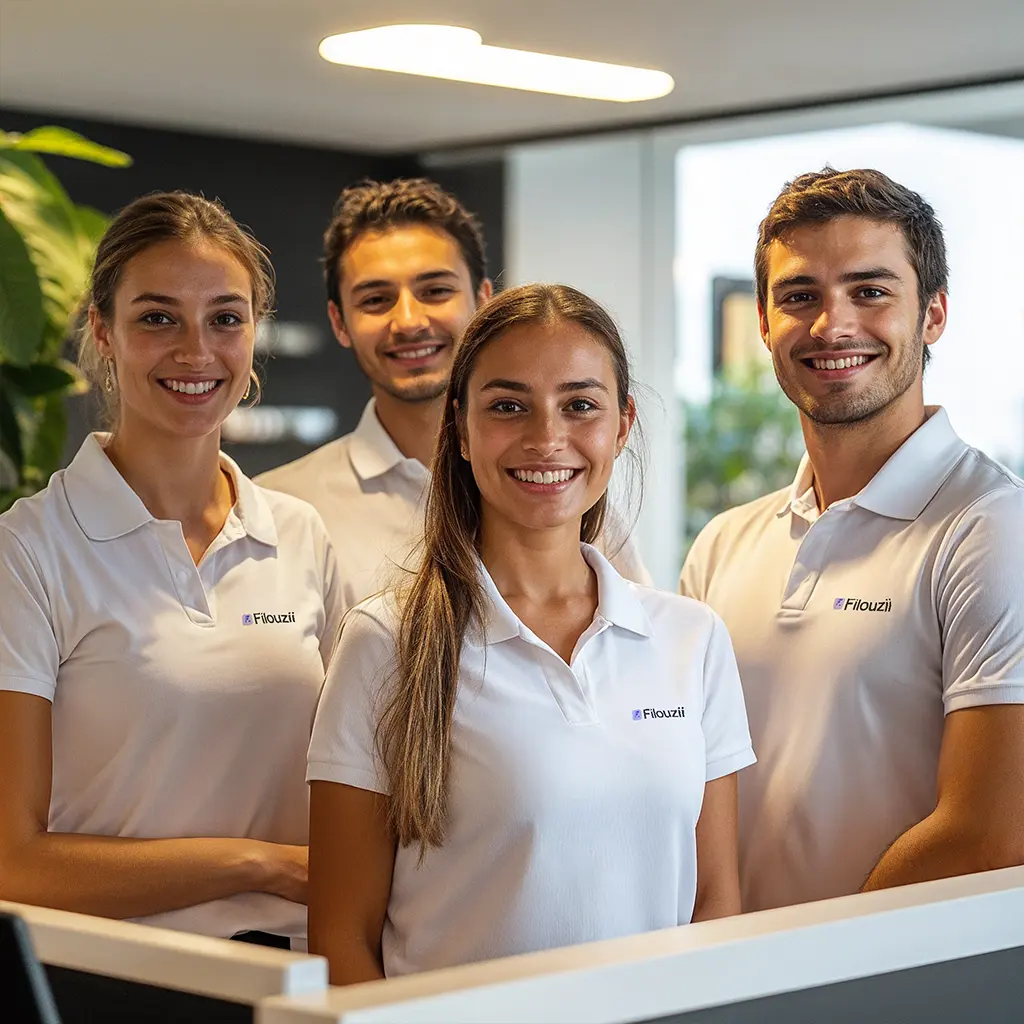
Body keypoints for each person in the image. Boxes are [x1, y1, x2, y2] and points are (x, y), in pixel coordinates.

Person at [306, 284, 755, 983]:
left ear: (623, 424)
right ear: (457, 427)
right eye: (508, 406)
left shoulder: (691, 640)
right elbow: (340, 939)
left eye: (580, 405)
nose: (547, 438)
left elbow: (716, 902)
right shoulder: (385, 641)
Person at [0, 192, 343, 944]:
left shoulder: (299, 535)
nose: (197, 352)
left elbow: (354, 777)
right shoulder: (27, 553)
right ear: (103, 330)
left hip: (291, 975)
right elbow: (12, 863)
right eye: (158, 318)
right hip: (112, 980)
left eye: (226, 318)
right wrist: (259, 865)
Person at [679, 167, 1024, 912]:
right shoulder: (722, 546)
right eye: (800, 296)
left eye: (870, 291)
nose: (832, 326)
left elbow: (991, 833)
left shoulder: (991, 528)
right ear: (765, 322)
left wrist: (805, 963)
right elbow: (677, 783)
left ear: (932, 315)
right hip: (730, 983)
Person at [256, 178, 649, 614]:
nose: (408, 321)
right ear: (339, 321)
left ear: (483, 300)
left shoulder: (563, 491)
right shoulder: (281, 509)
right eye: (376, 299)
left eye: (436, 291)